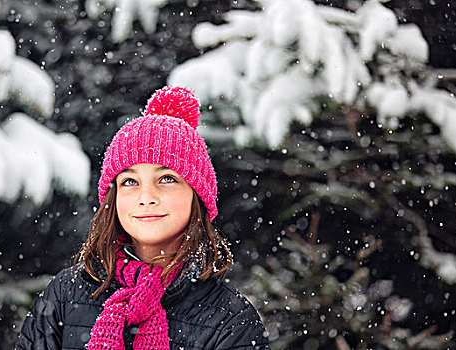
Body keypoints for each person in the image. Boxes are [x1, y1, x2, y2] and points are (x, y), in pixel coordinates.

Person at [15, 86, 270, 350]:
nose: (146, 197)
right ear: (113, 200)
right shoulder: (66, 295)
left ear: (197, 196)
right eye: (130, 181)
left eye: (167, 178)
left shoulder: (231, 319)